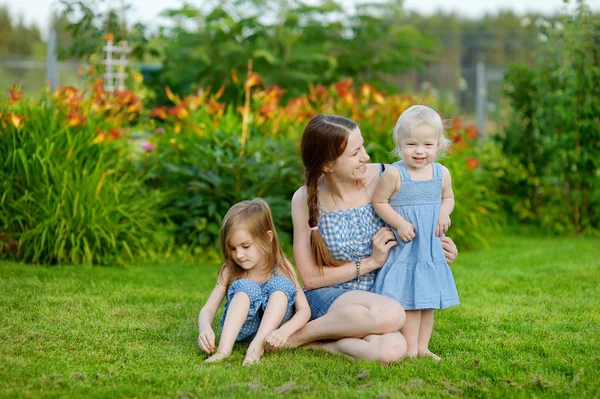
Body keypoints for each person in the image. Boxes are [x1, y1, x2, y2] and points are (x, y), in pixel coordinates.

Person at [286, 114, 459, 364]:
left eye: (363, 146)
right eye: (355, 152)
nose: (366, 157)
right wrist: (370, 262)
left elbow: (424, 211)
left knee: (393, 349)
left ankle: (322, 345)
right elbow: (311, 279)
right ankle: (298, 335)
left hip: (382, 295)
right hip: (334, 297)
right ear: (328, 165)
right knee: (391, 314)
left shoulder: (386, 176)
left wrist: (439, 248)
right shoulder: (304, 199)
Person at [372, 105, 460, 361]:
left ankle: (423, 347)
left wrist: (445, 213)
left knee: (427, 298)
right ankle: (409, 348)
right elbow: (380, 202)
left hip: (429, 247)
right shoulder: (394, 173)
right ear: (400, 144)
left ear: (438, 145)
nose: (419, 151)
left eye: (427, 145)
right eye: (411, 144)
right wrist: (399, 223)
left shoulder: (441, 173)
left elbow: (449, 198)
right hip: (407, 245)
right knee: (409, 299)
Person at [197, 199, 311, 365]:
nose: (239, 255)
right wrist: (205, 327)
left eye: (245, 246)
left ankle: (257, 346)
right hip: (244, 329)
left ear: (267, 238)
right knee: (245, 288)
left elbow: (304, 310)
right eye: (233, 248)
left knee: (281, 287)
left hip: (273, 332)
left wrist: (284, 331)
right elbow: (208, 308)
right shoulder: (230, 270)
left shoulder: (281, 266)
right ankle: (223, 350)